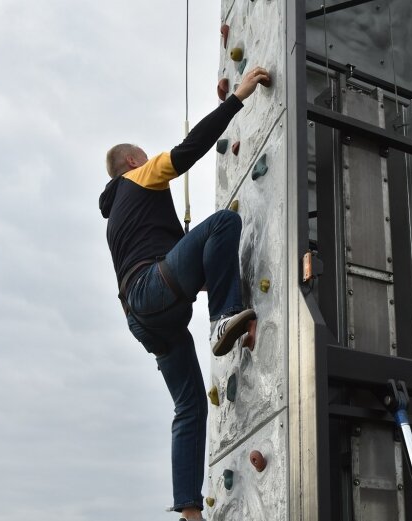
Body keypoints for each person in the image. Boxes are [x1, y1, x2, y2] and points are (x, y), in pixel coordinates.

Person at [99, 66, 270, 520]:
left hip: (144, 319)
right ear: (134, 163)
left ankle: (190, 513)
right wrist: (238, 97)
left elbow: (166, 253)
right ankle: (223, 316)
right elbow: (189, 150)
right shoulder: (137, 178)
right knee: (225, 223)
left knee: (189, 405)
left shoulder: (118, 217)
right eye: (144, 156)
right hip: (153, 288)